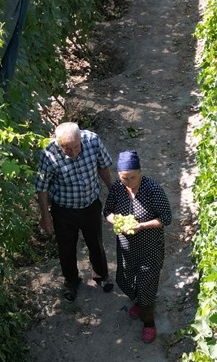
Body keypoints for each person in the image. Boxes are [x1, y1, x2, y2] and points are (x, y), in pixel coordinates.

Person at [35, 122, 115, 301]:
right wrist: (45, 216)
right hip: (64, 210)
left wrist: (113, 191)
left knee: (95, 242)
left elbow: (103, 166)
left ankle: (101, 275)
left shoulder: (93, 140)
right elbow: (42, 187)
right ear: (58, 143)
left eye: (76, 147)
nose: (73, 152)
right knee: (66, 247)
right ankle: (71, 281)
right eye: (67, 148)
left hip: (90, 204)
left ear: (81, 139)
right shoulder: (48, 153)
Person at [103, 150, 172, 343]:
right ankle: (139, 301)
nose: (128, 182)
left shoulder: (153, 190)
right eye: (124, 178)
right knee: (126, 279)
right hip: (126, 247)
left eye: (132, 177)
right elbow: (107, 211)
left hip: (150, 247)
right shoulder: (117, 188)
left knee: (146, 285)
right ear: (119, 175)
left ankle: (149, 322)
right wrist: (115, 220)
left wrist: (141, 225)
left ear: (140, 173)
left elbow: (166, 218)